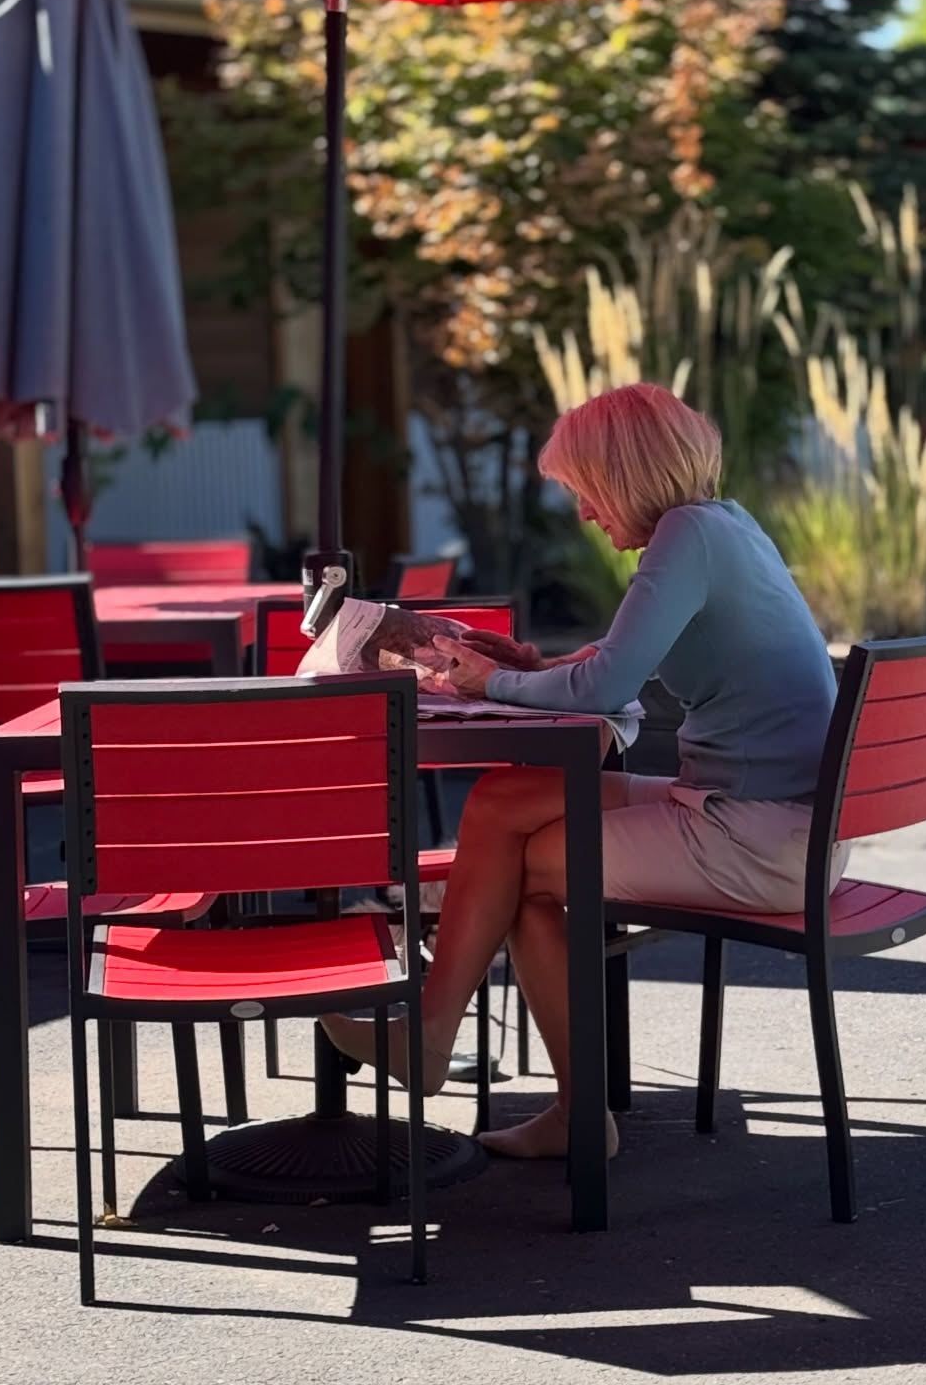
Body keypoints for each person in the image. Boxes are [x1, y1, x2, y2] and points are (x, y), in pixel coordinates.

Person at [321, 382, 845, 1160]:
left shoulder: (686, 538)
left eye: (586, 491)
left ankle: (465, 1050)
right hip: (760, 816)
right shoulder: (723, 526)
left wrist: (487, 684)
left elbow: (604, 691)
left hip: (757, 837)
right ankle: (470, 1056)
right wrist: (538, 664)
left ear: (625, 474)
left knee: (523, 872)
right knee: (503, 804)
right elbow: (615, 662)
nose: (586, 514)